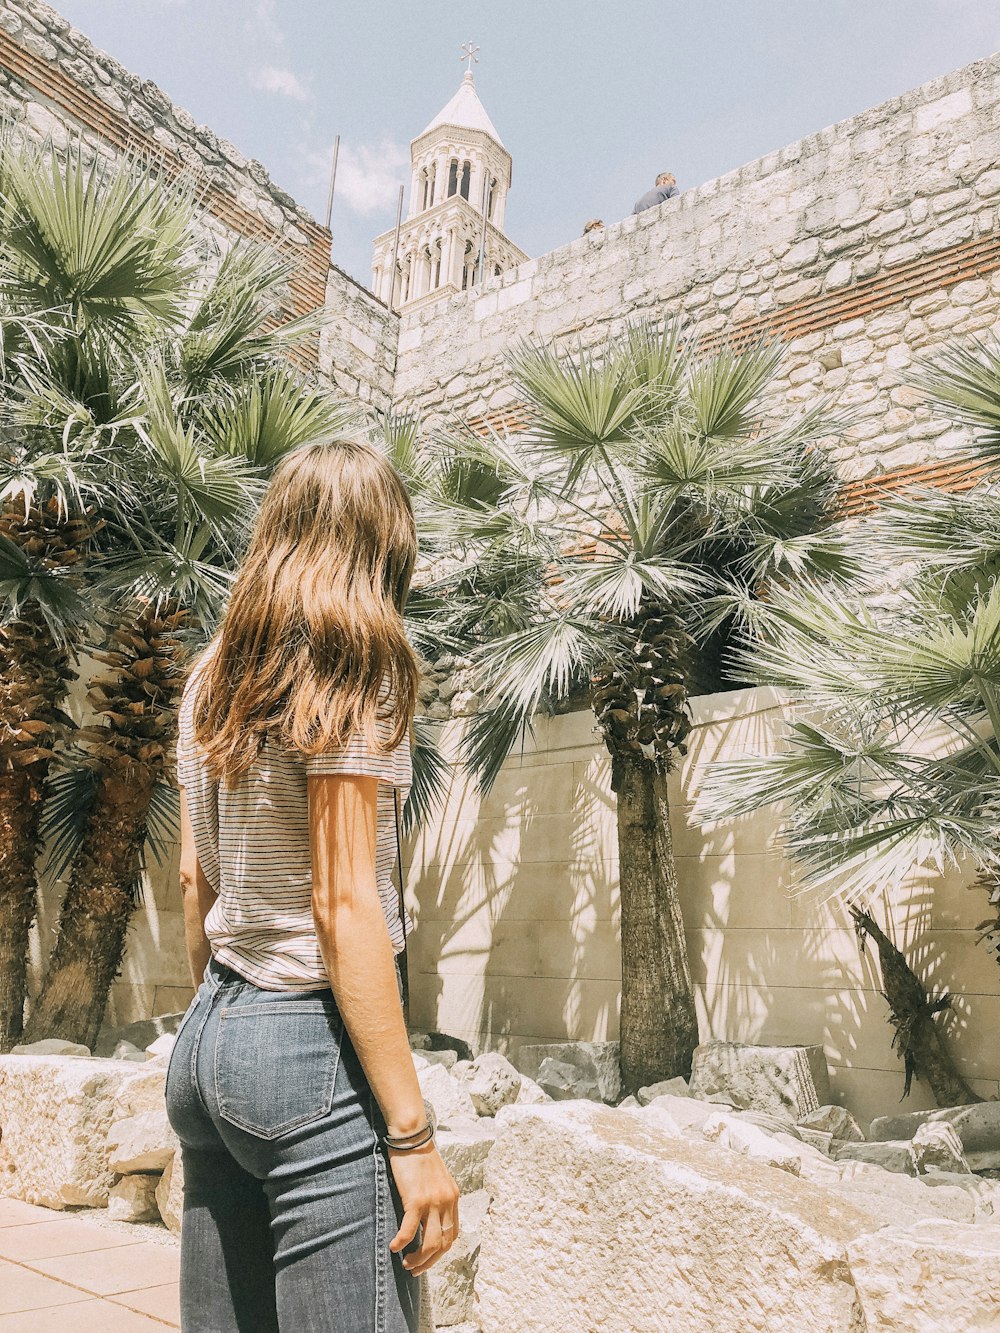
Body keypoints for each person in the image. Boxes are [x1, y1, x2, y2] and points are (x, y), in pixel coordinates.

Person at [164, 438, 459, 1333]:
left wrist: (221, 1035)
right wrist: (412, 1137)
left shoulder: (213, 674)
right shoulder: (355, 666)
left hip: (210, 1034)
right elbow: (343, 904)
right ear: (383, 543)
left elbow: (192, 880)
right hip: (306, 1049)